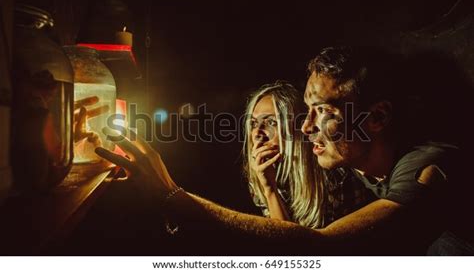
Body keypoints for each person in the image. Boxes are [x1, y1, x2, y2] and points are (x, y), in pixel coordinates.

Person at [95, 46, 473, 255]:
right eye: (305, 112)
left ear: (377, 117)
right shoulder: (352, 159)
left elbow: (322, 249)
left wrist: (172, 196)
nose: (305, 126)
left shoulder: (428, 167)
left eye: (322, 111)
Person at [244, 81, 372, 228]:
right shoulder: (261, 173)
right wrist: (269, 189)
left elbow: (299, 245)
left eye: (271, 123)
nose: (257, 133)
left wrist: (270, 190)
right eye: (253, 123)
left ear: (298, 129)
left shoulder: (335, 175)